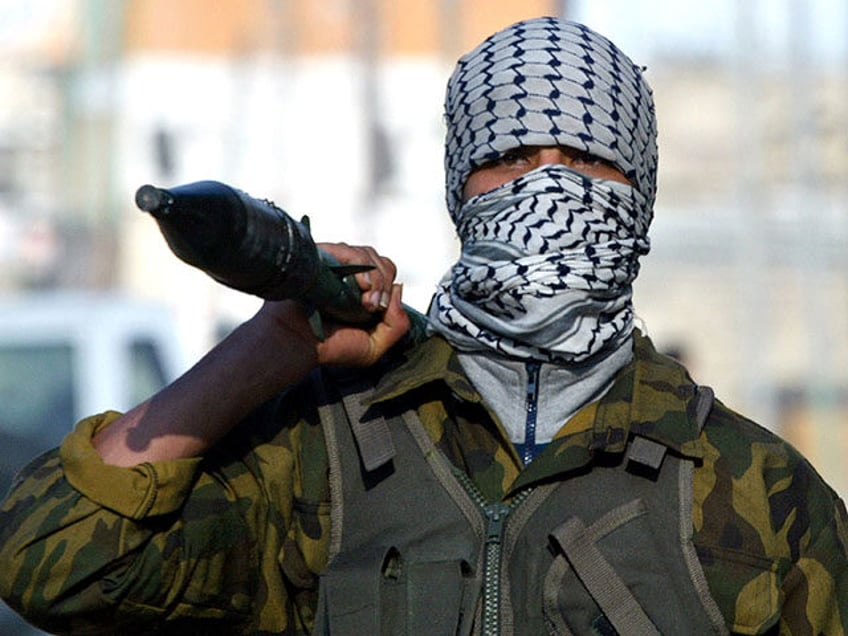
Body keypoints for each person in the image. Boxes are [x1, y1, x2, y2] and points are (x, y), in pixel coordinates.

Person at [1, 16, 847, 636]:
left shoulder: (757, 493)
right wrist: (271, 349)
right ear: (457, 189)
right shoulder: (319, 453)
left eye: (588, 161)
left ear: (640, 195)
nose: (547, 190)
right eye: (509, 158)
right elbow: (52, 562)